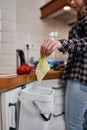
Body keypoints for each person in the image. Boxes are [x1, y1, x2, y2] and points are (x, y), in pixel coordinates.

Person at [40, 0, 87, 130]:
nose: (71, 2)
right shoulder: (81, 18)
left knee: (74, 125)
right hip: (81, 76)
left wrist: (61, 44)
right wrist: (69, 65)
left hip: (80, 79)